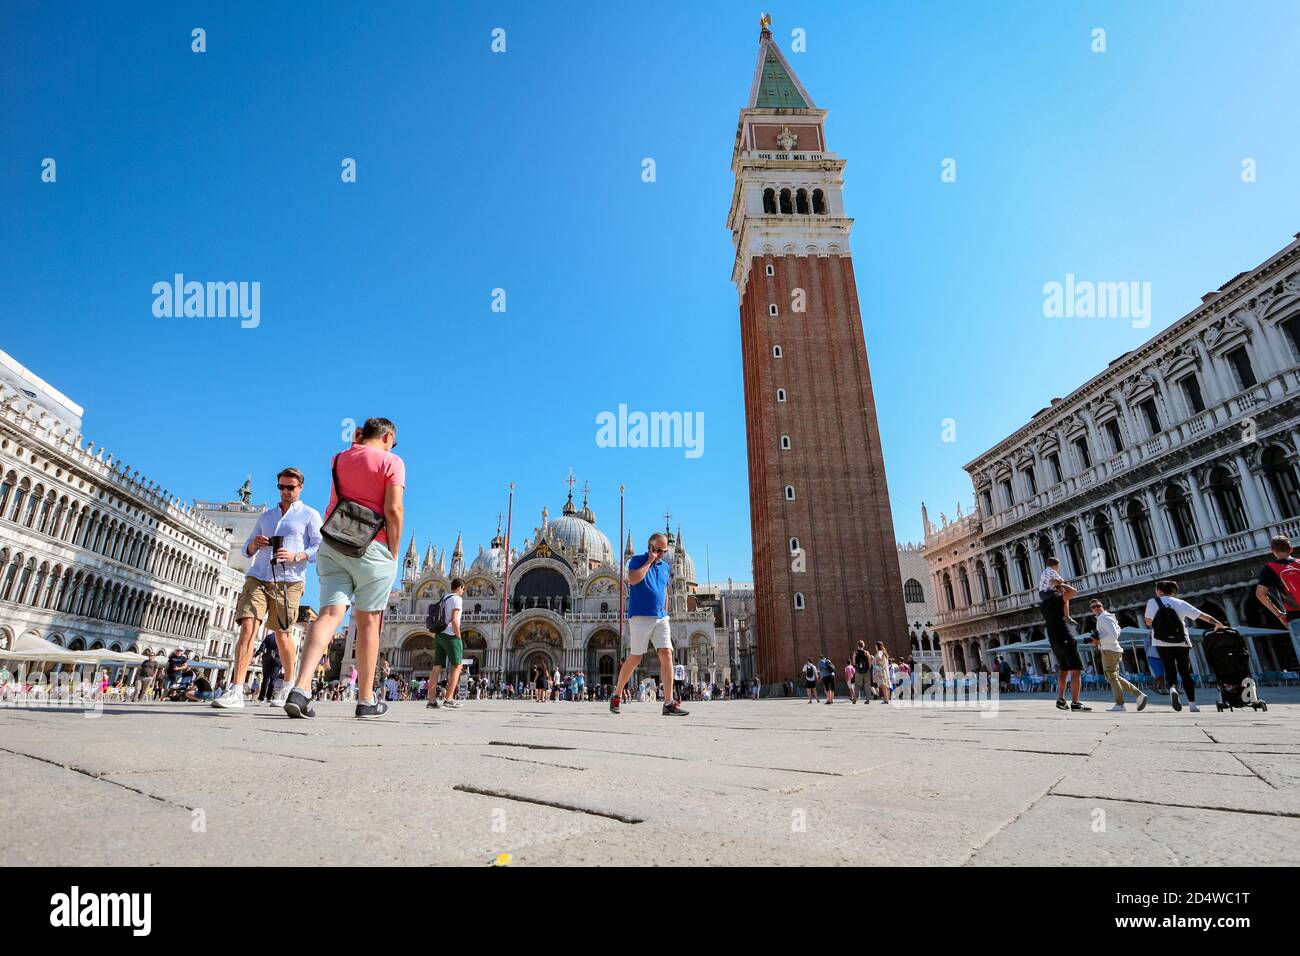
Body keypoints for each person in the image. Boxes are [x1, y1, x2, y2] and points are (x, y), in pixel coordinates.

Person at [283, 417, 404, 720]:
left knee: (328, 615)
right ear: (388, 437)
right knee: (367, 622)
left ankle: (300, 689)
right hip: (372, 547)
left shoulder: (339, 458)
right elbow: (393, 509)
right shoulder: (393, 462)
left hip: (333, 543)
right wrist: (394, 550)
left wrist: (358, 441)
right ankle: (365, 699)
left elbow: (355, 460)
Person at [213, 468, 322, 710]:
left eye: (290, 488)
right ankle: (236, 690)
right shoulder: (266, 517)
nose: (285, 492)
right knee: (248, 626)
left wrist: (296, 555)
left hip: (289, 579)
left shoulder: (309, 515)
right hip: (259, 575)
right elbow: (246, 551)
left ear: (300, 487)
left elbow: (318, 547)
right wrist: (254, 544)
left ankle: (288, 684)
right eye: (281, 487)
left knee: (283, 633)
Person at [609, 532, 688, 716]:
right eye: (658, 550)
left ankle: (668, 703)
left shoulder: (665, 567)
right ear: (650, 547)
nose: (661, 554)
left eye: (664, 551)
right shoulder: (636, 561)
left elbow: (665, 590)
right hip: (640, 617)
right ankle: (617, 694)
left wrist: (666, 611)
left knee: (667, 653)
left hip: (661, 617)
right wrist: (649, 562)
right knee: (635, 657)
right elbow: (634, 579)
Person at [1144, 580, 1225, 713]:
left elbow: (1148, 621)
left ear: (1159, 591)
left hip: (1161, 641)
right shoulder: (1179, 603)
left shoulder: (1152, 602)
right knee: (1185, 672)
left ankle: (1172, 689)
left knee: (1169, 668)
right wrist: (1217, 623)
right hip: (1181, 641)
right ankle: (1192, 704)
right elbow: (1201, 615)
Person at [1038, 557, 1086, 712]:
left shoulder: (1044, 604)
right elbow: (1074, 592)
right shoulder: (1057, 600)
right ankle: (1076, 703)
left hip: (1053, 639)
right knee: (1076, 670)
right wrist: (1061, 583)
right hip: (1063, 636)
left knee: (1063, 670)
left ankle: (1060, 699)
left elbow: (1065, 602)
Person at [1087, 598, 1147, 712]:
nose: (1096, 608)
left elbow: (1114, 635)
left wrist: (1099, 641)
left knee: (1112, 677)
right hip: (1110, 649)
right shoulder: (1105, 618)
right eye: (1093, 607)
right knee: (1114, 676)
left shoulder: (1105, 618)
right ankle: (1139, 695)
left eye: (1098, 605)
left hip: (1109, 650)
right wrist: (1096, 638)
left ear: (1102, 606)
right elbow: (1118, 630)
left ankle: (1120, 704)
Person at [426, 579, 466, 710]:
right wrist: (458, 636)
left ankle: (431, 701)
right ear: (460, 587)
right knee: (458, 665)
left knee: (436, 668)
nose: (463, 591)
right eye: (463, 589)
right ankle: (448, 699)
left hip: (439, 635)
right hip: (450, 635)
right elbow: (455, 620)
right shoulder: (457, 599)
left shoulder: (445, 598)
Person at [1256, 535, 1300, 655]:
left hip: (1295, 616)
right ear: (1291, 549)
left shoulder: (1269, 568)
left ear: (1273, 551)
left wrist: (1279, 615)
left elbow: (1260, 594)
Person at [851, 640, 871, 704]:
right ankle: (867, 699)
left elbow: (853, 661)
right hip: (866, 671)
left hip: (858, 671)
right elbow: (869, 661)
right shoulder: (866, 652)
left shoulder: (855, 652)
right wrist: (868, 668)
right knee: (867, 685)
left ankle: (855, 699)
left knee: (857, 685)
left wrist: (855, 666)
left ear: (858, 645)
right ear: (863, 645)